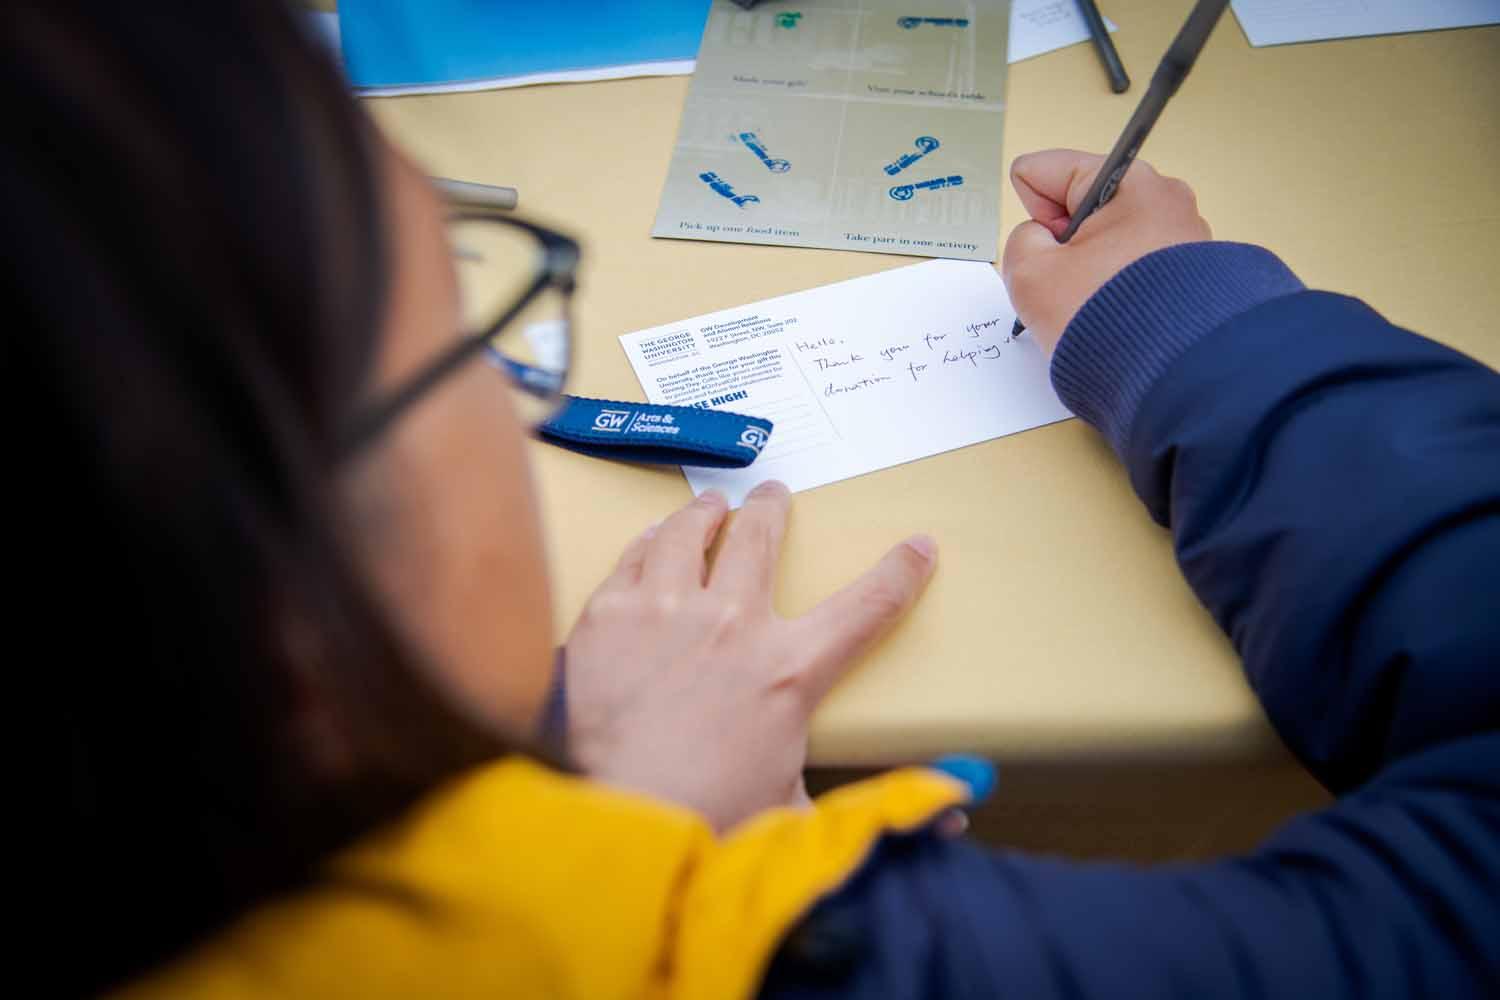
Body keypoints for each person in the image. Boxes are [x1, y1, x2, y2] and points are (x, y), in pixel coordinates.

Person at [18, 3, 1494, 997]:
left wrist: (610, 809)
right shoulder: (788, 961)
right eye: (469, 322)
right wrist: (1192, 334)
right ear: (276, 604)